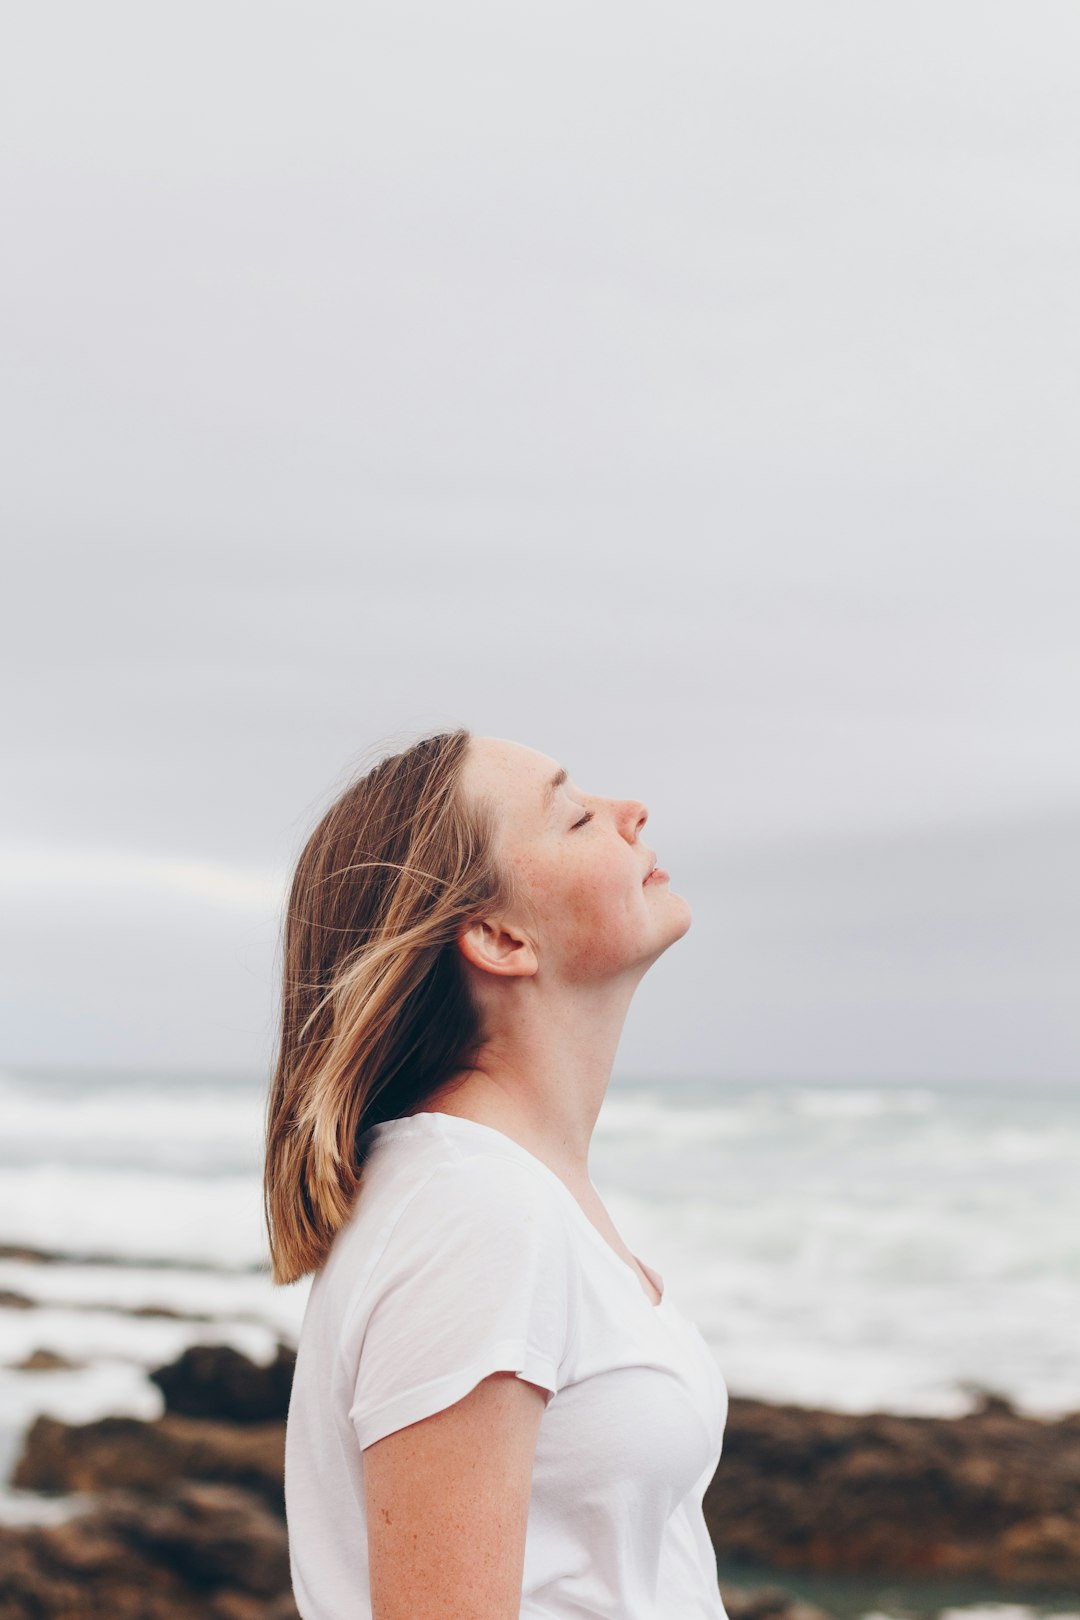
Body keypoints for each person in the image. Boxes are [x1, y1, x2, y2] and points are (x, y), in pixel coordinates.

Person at [264, 728, 728, 1619]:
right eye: (577, 815)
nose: (630, 812)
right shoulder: (472, 1211)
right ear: (498, 936)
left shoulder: (510, 1191)